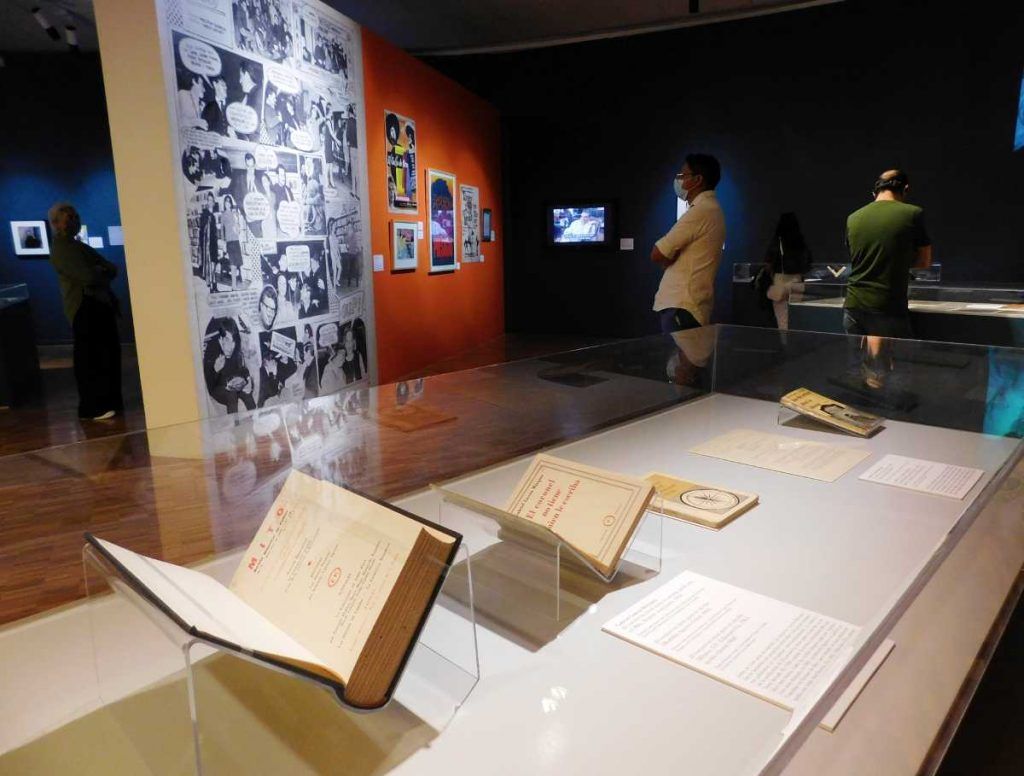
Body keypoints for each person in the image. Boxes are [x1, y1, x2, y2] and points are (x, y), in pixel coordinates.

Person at [47, 202, 123, 420]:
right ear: (56, 223)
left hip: (97, 305)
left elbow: (110, 268)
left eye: (75, 217)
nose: (74, 221)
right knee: (91, 358)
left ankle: (108, 401)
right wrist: (98, 271)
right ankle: (93, 406)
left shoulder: (76, 246)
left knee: (106, 354)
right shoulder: (63, 249)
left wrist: (97, 272)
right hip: (84, 308)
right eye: (69, 218)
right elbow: (88, 276)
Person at [844, 169, 932, 339]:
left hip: (853, 305)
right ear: (905, 189)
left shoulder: (853, 218)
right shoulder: (913, 213)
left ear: (875, 192)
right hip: (887, 307)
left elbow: (856, 258)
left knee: (857, 356)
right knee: (898, 356)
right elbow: (924, 261)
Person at [650, 153, 726, 333]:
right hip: (687, 304)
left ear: (698, 180)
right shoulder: (710, 209)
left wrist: (670, 256)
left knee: (679, 351)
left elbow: (658, 253)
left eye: (683, 175)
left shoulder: (701, 211)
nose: (679, 180)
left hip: (682, 304)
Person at [763, 212, 813, 330]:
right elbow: (808, 263)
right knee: (797, 318)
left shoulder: (777, 242)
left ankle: (785, 340)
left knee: (783, 320)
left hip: (780, 280)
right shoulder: (800, 242)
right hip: (797, 282)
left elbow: (768, 264)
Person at [203, 320, 255, 413]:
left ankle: (256, 417)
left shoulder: (236, 351)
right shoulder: (212, 352)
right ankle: (234, 421)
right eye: (226, 340)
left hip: (233, 385)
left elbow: (243, 370)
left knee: (247, 393)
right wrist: (215, 370)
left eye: (233, 341)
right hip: (218, 387)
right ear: (220, 339)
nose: (231, 346)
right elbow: (209, 385)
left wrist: (248, 379)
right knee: (232, 395)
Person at [221, 195, 244, 289]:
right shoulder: (223, 215)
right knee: (232, 264)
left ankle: (239, 282)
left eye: (229, 201)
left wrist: (237, 220)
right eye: (226, 201)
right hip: (229, 241)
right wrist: (223, 243)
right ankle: (233, 284)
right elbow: (222, 230)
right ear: (224, 203)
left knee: (238, 263)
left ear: (230, 203)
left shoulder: (234, 213)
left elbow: (238, 228)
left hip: (236, 240)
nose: (227, 203)